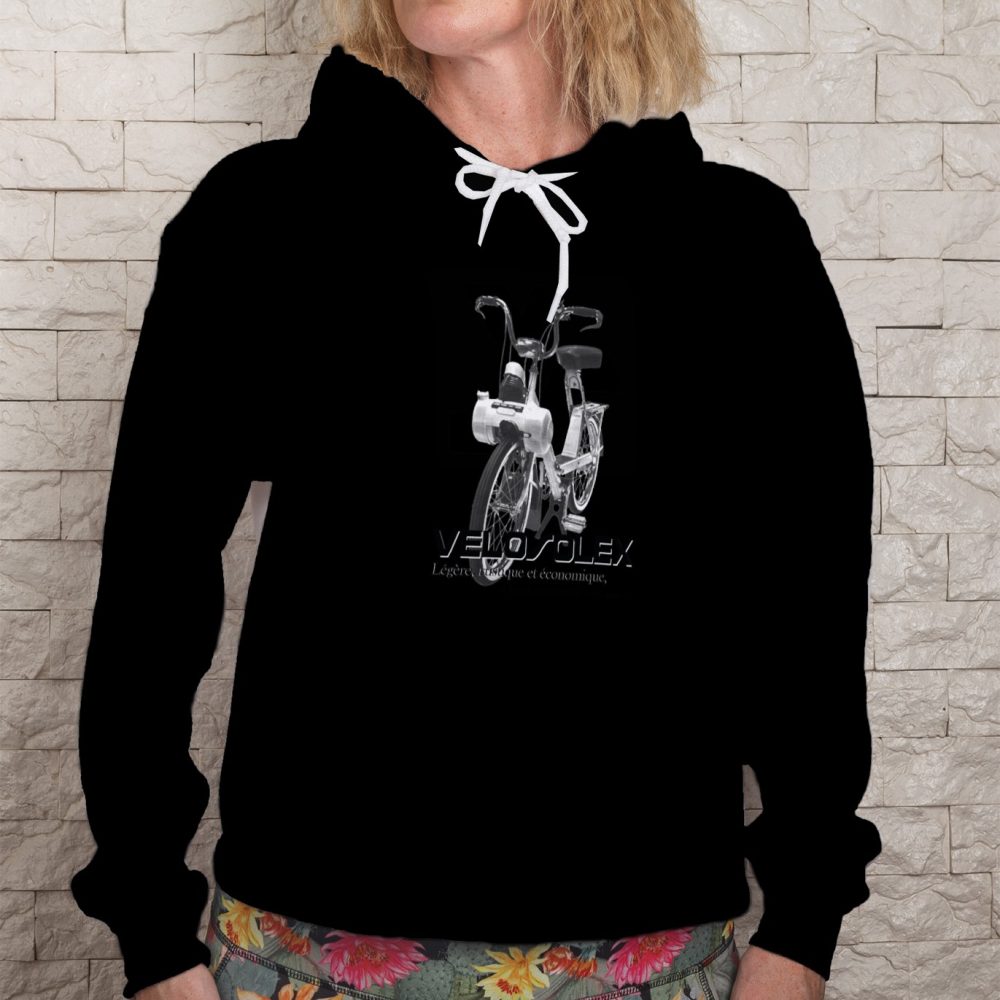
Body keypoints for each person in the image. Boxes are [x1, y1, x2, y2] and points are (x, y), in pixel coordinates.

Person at [69, 2, 883, 1000]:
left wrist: (802, 922)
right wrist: (152, 932)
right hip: (311, 946)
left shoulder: (734, 241)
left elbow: (805, 591)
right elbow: (154, 580)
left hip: (644, 952)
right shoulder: (272, 215)